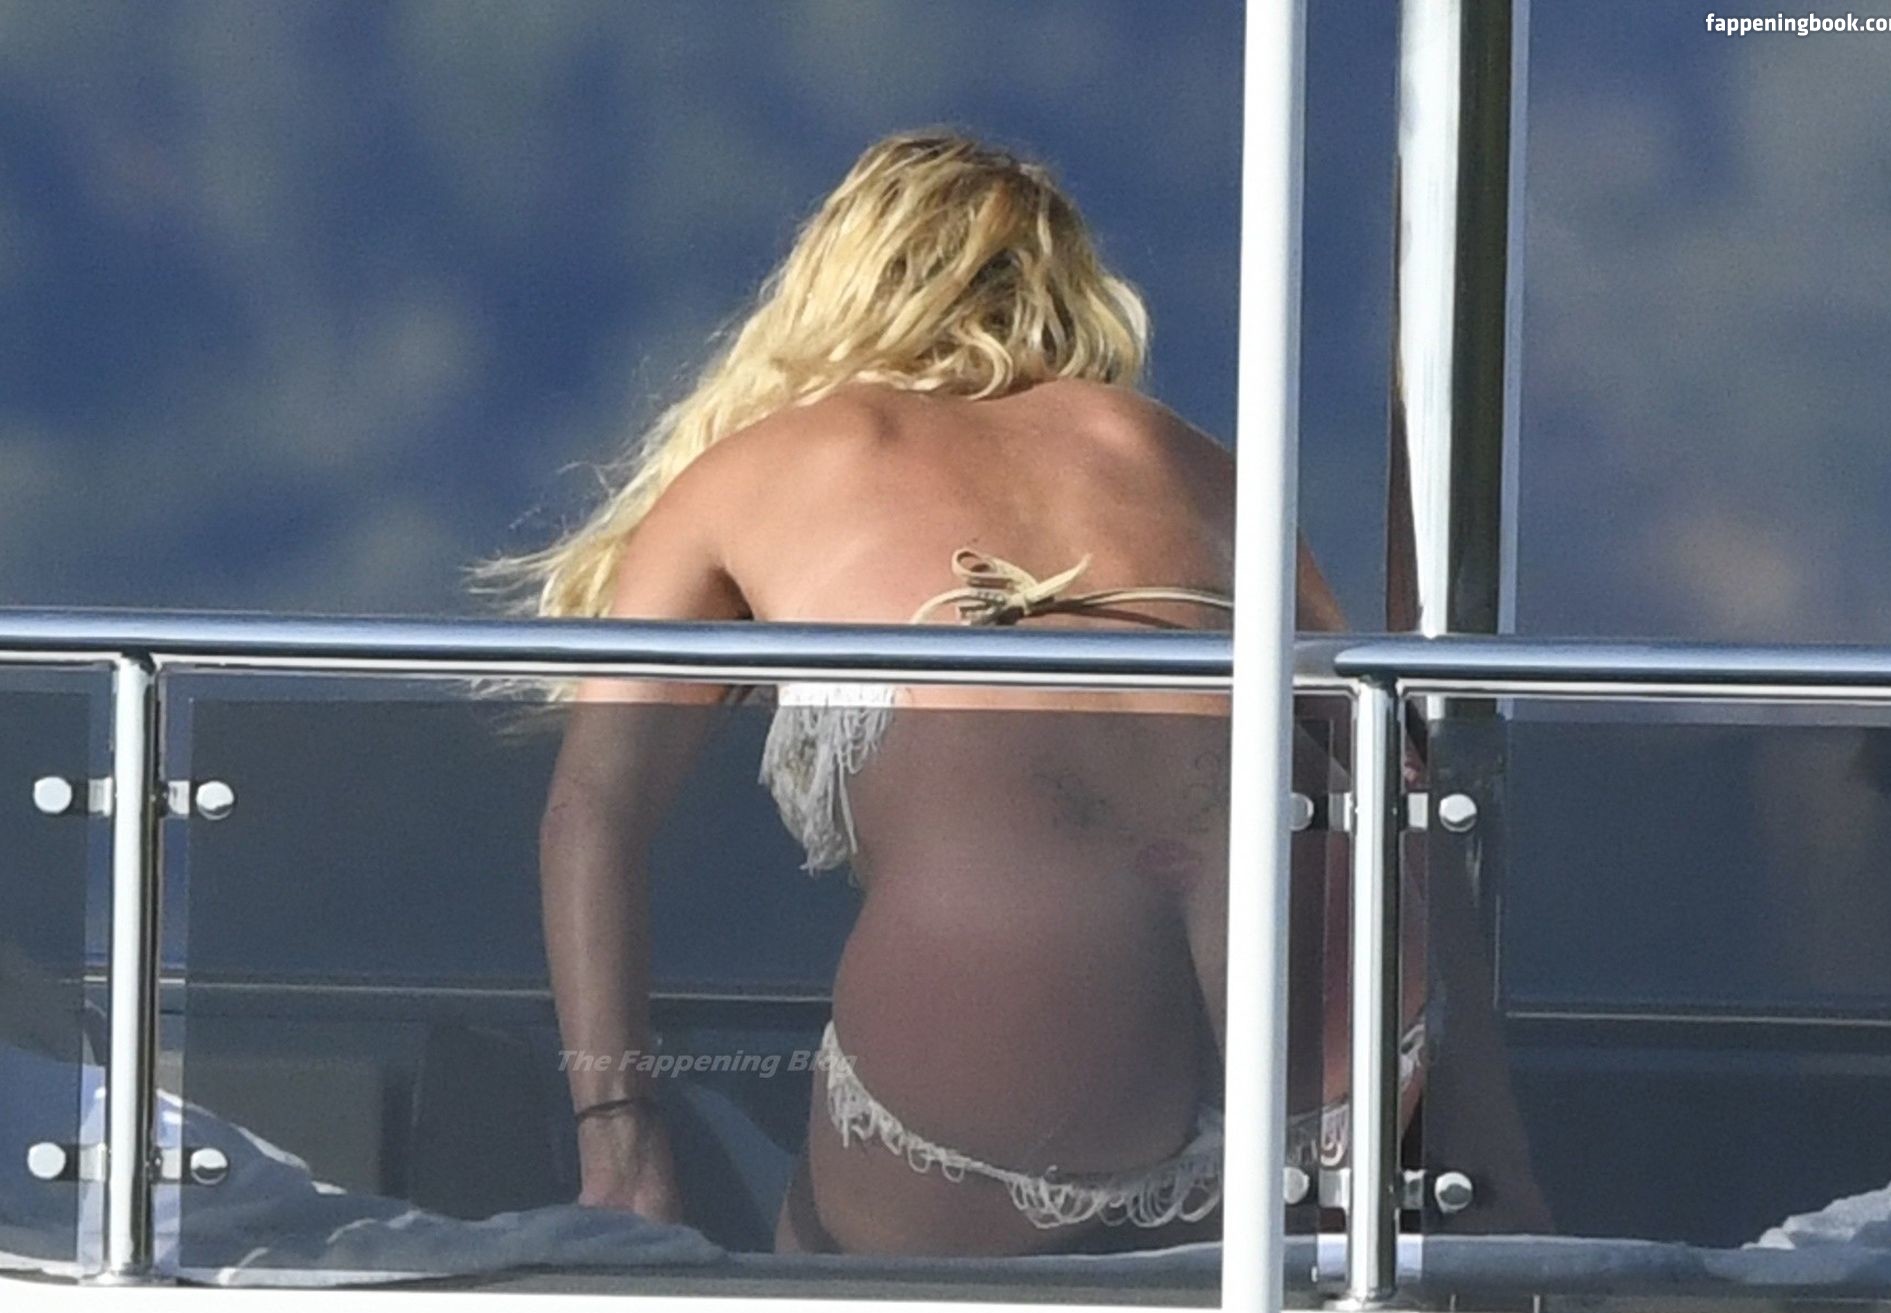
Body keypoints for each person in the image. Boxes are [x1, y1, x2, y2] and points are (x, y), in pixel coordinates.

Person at [469, 128, 1420, 1256]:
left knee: (826, 1302)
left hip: (1014, 982)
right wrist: (1492, 1156)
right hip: (1318, 978)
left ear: (832, 284)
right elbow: (1395, 767)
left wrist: (621, 1144)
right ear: (1073, 293)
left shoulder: (762, 465)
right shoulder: (1183, 454)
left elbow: (594, 813)